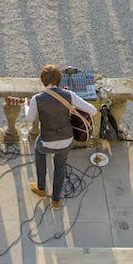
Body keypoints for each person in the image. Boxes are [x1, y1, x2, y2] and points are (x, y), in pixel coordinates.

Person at [29, 64, 97, 209]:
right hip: (66, 140)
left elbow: (30, 118)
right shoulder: (69, 95)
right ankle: (56, 200)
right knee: (60, 167)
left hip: (47, 141)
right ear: (60, 79)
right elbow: (93, 111)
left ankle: (41, 188)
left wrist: (25, 107)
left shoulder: (37, 98)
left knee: (38, 149)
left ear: (42, 80)